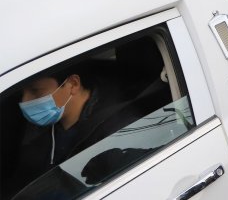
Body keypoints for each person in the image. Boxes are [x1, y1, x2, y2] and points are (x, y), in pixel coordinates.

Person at [9, 67, 142, 196]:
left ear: (73, 84)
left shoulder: (117, 132)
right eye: (22, 94)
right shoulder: (40, 126)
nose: (25, 101)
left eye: (36, 91)